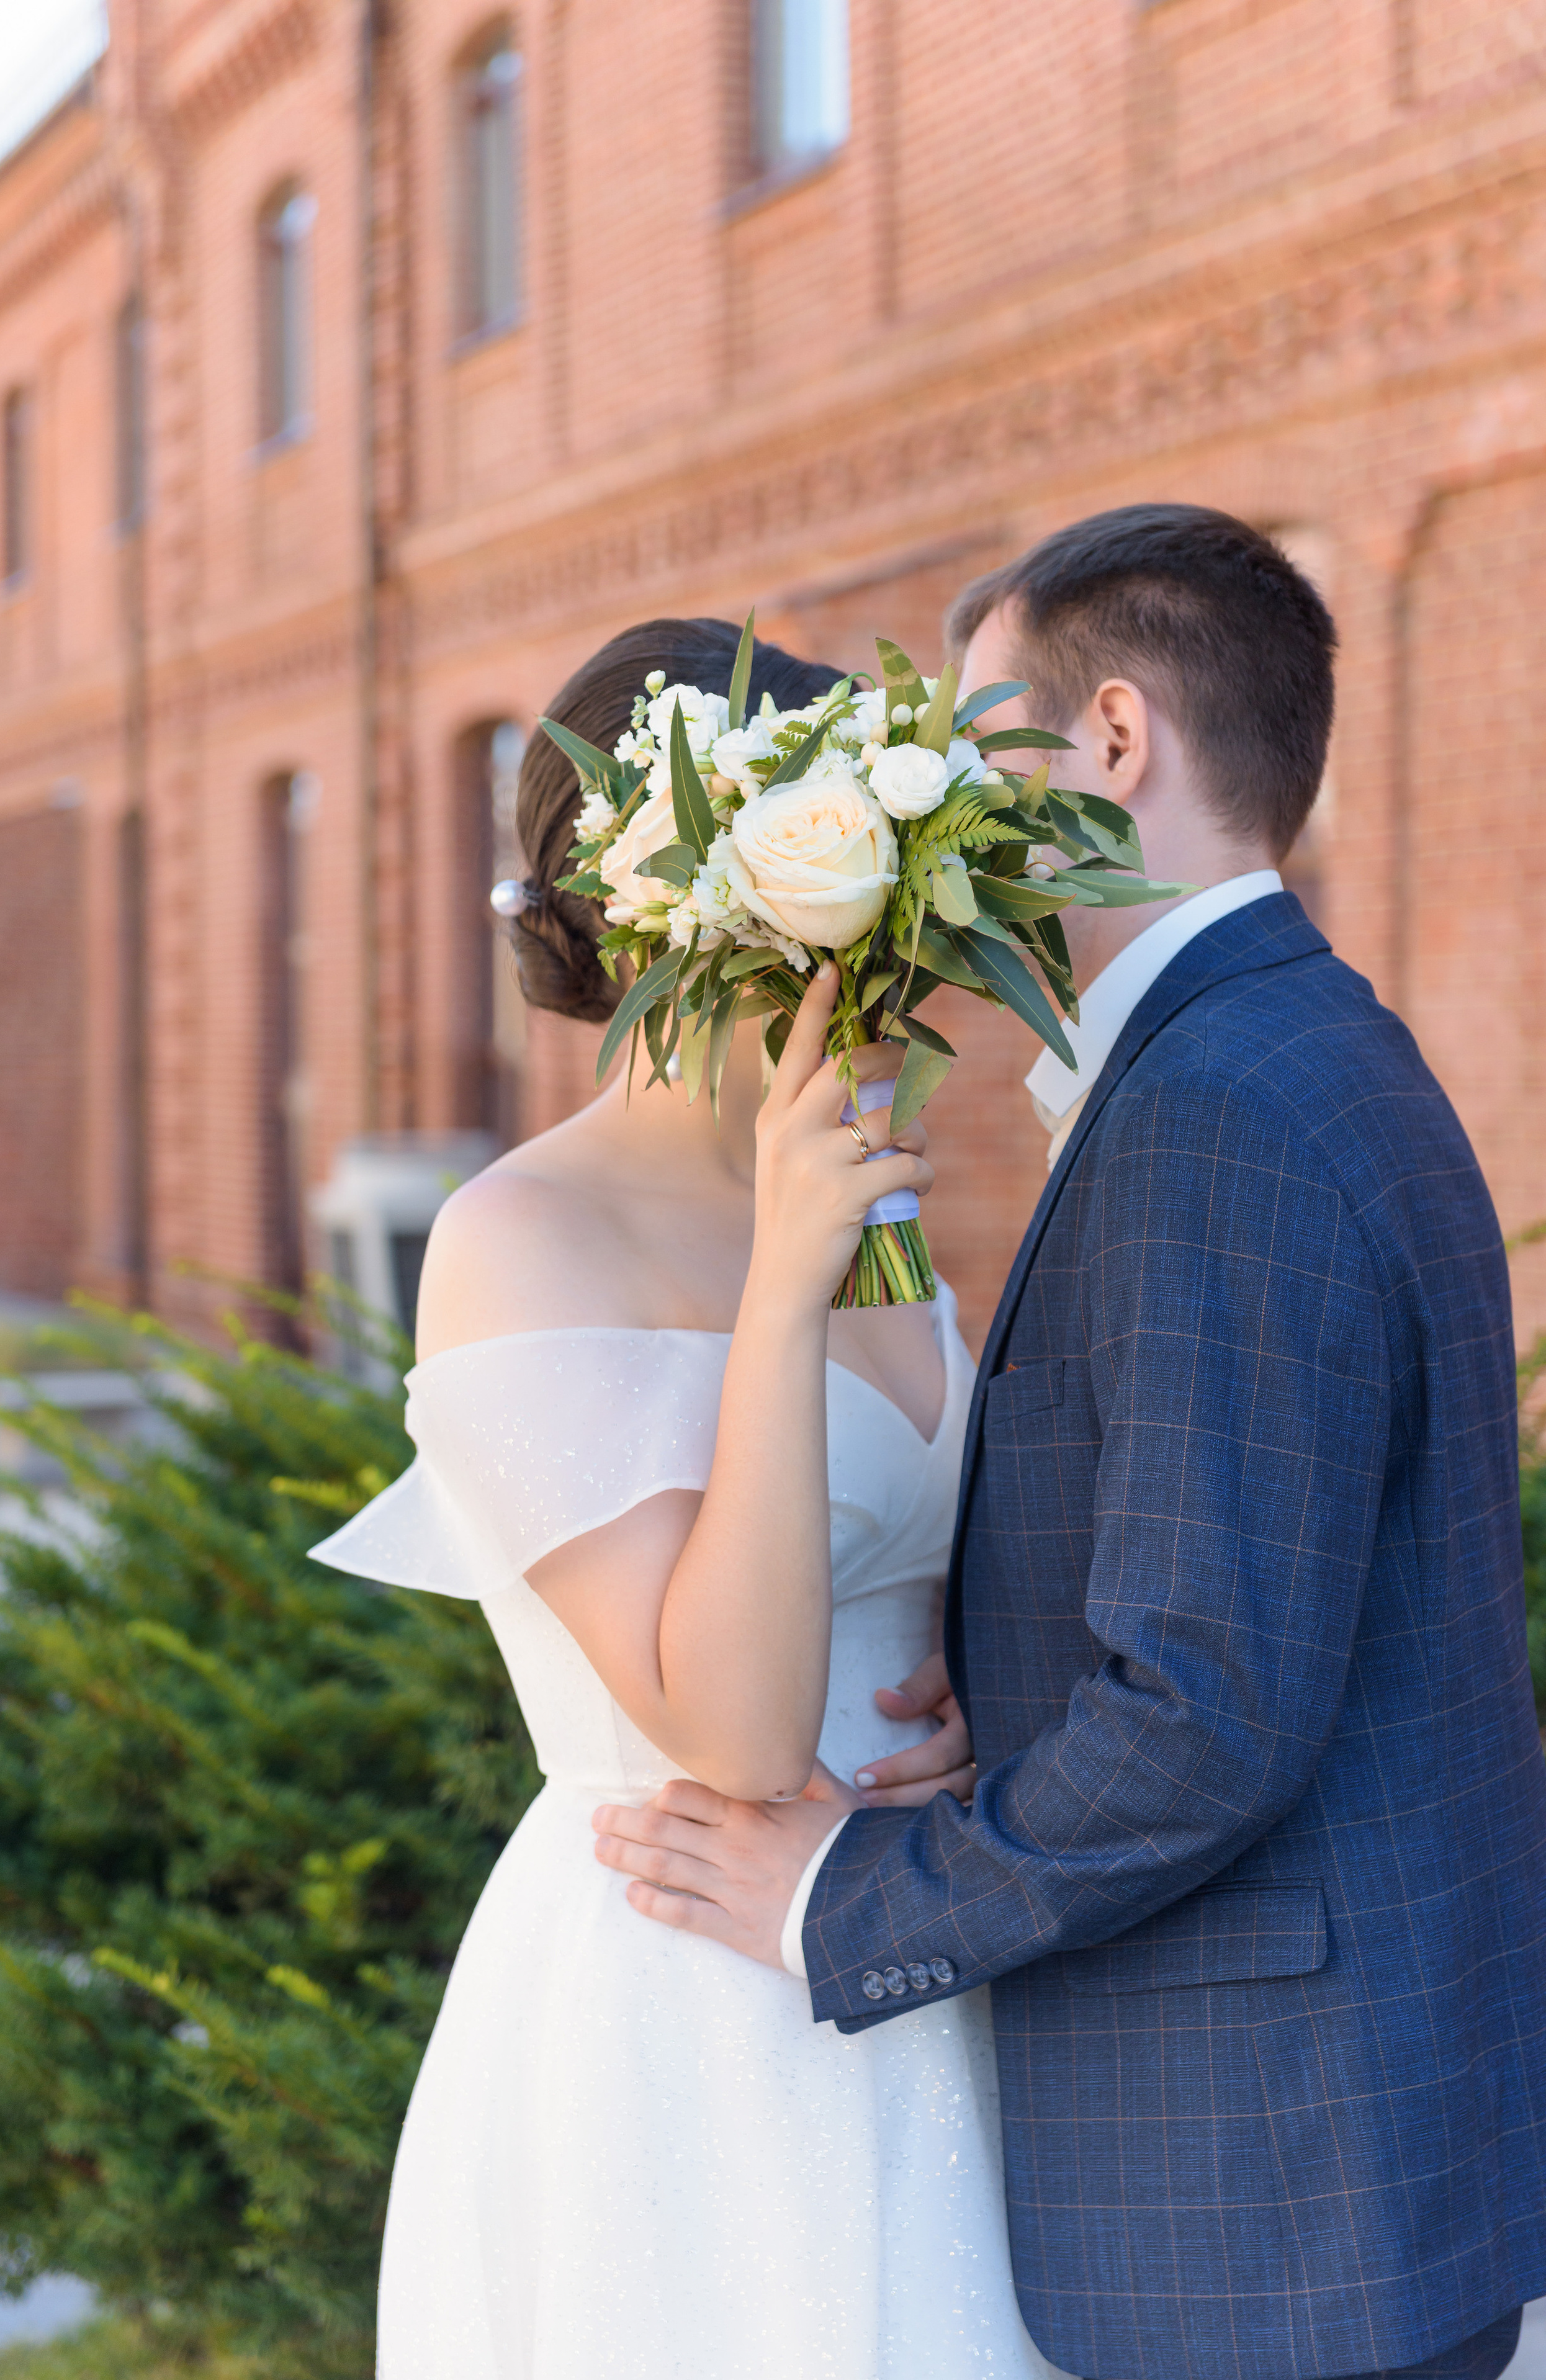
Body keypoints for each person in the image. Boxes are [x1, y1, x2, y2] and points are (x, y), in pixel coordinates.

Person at [594, 506, 1546, 2380]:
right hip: (1328, 2175)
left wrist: (842, 1898)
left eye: (973, 746)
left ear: (1111, 740)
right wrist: (1021, 1680)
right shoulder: (1297, 1046)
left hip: (1271, 2206)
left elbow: (1207, 1710)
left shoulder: (1218, 1109)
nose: (942, 806)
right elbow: (1279, 1574)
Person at [310, 616, 1066, 2379]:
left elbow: (929, 1548)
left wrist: (974, 1702)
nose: (887, 968)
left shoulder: (868, 1193)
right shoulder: (519, 1237)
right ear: (688, 911)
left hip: (922, 1941)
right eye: (849, 903)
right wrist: (785, 1282)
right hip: (691, 2011)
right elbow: (732, 1730)